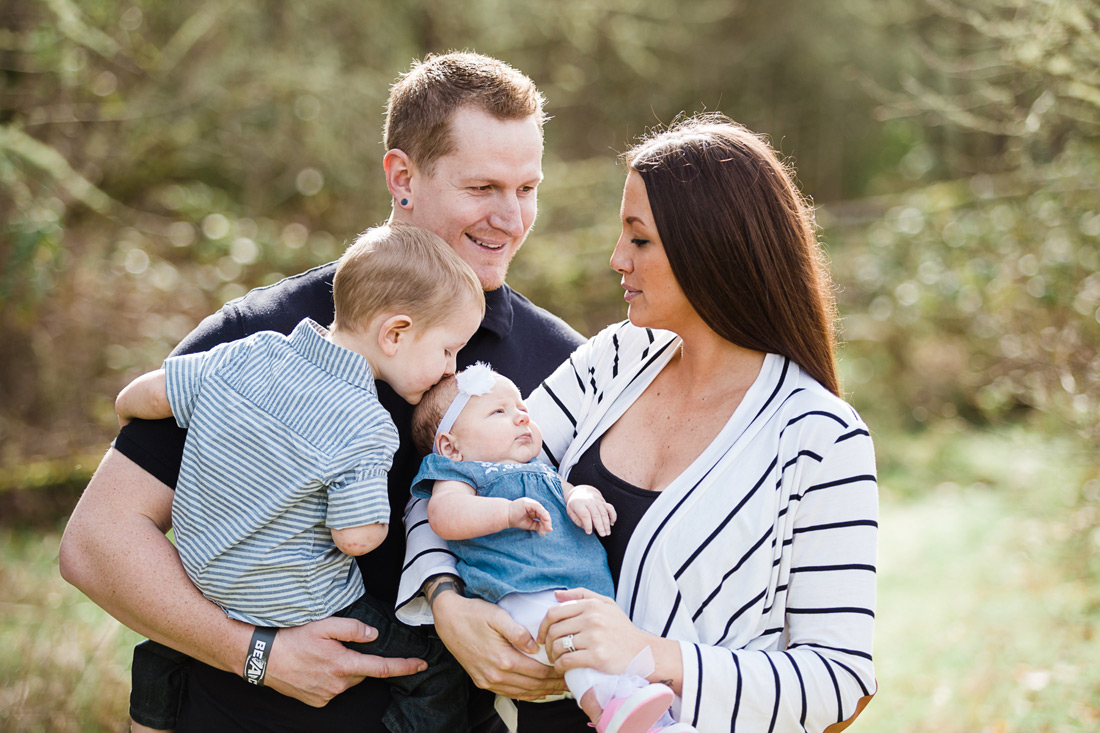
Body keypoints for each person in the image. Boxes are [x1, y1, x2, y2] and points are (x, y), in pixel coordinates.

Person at [59, 51, 584, 731]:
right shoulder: (261, 333)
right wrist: (255, 654)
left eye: (527, 188)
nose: (511, 219)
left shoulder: (559, 365)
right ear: (402, 177)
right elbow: (96, 539)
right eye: (483, 188)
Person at [398, 114, 878, 732]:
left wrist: (651, 656)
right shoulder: (614, 358)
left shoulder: (819, 438)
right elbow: (456, 468)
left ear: (713, 249)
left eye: (639, 238)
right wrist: (446, 603)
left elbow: (841, 678)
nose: (616, 258)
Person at [116, 223, 483, 733]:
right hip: (295, 599)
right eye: (448, 350)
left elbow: (141, 397)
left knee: (163, 647)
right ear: (394, 334)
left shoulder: (252, 350)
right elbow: (355, 539)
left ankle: (147, 720)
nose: (451, 368)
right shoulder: (368, 422)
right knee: (434, 671)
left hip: (204, 576)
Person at [409, 363, 693, 733]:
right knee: (577, 648)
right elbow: (444, 516)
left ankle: (657, 719)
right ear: (451, 445)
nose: (520, 418)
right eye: (499, 412)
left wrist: (584, 498)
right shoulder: (462, 474)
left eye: (522, 410)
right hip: (521, 591)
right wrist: (507, 513)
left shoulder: (541, 470)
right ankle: (610, 715)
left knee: (617, 654)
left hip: (581, 595)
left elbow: (571, 490)